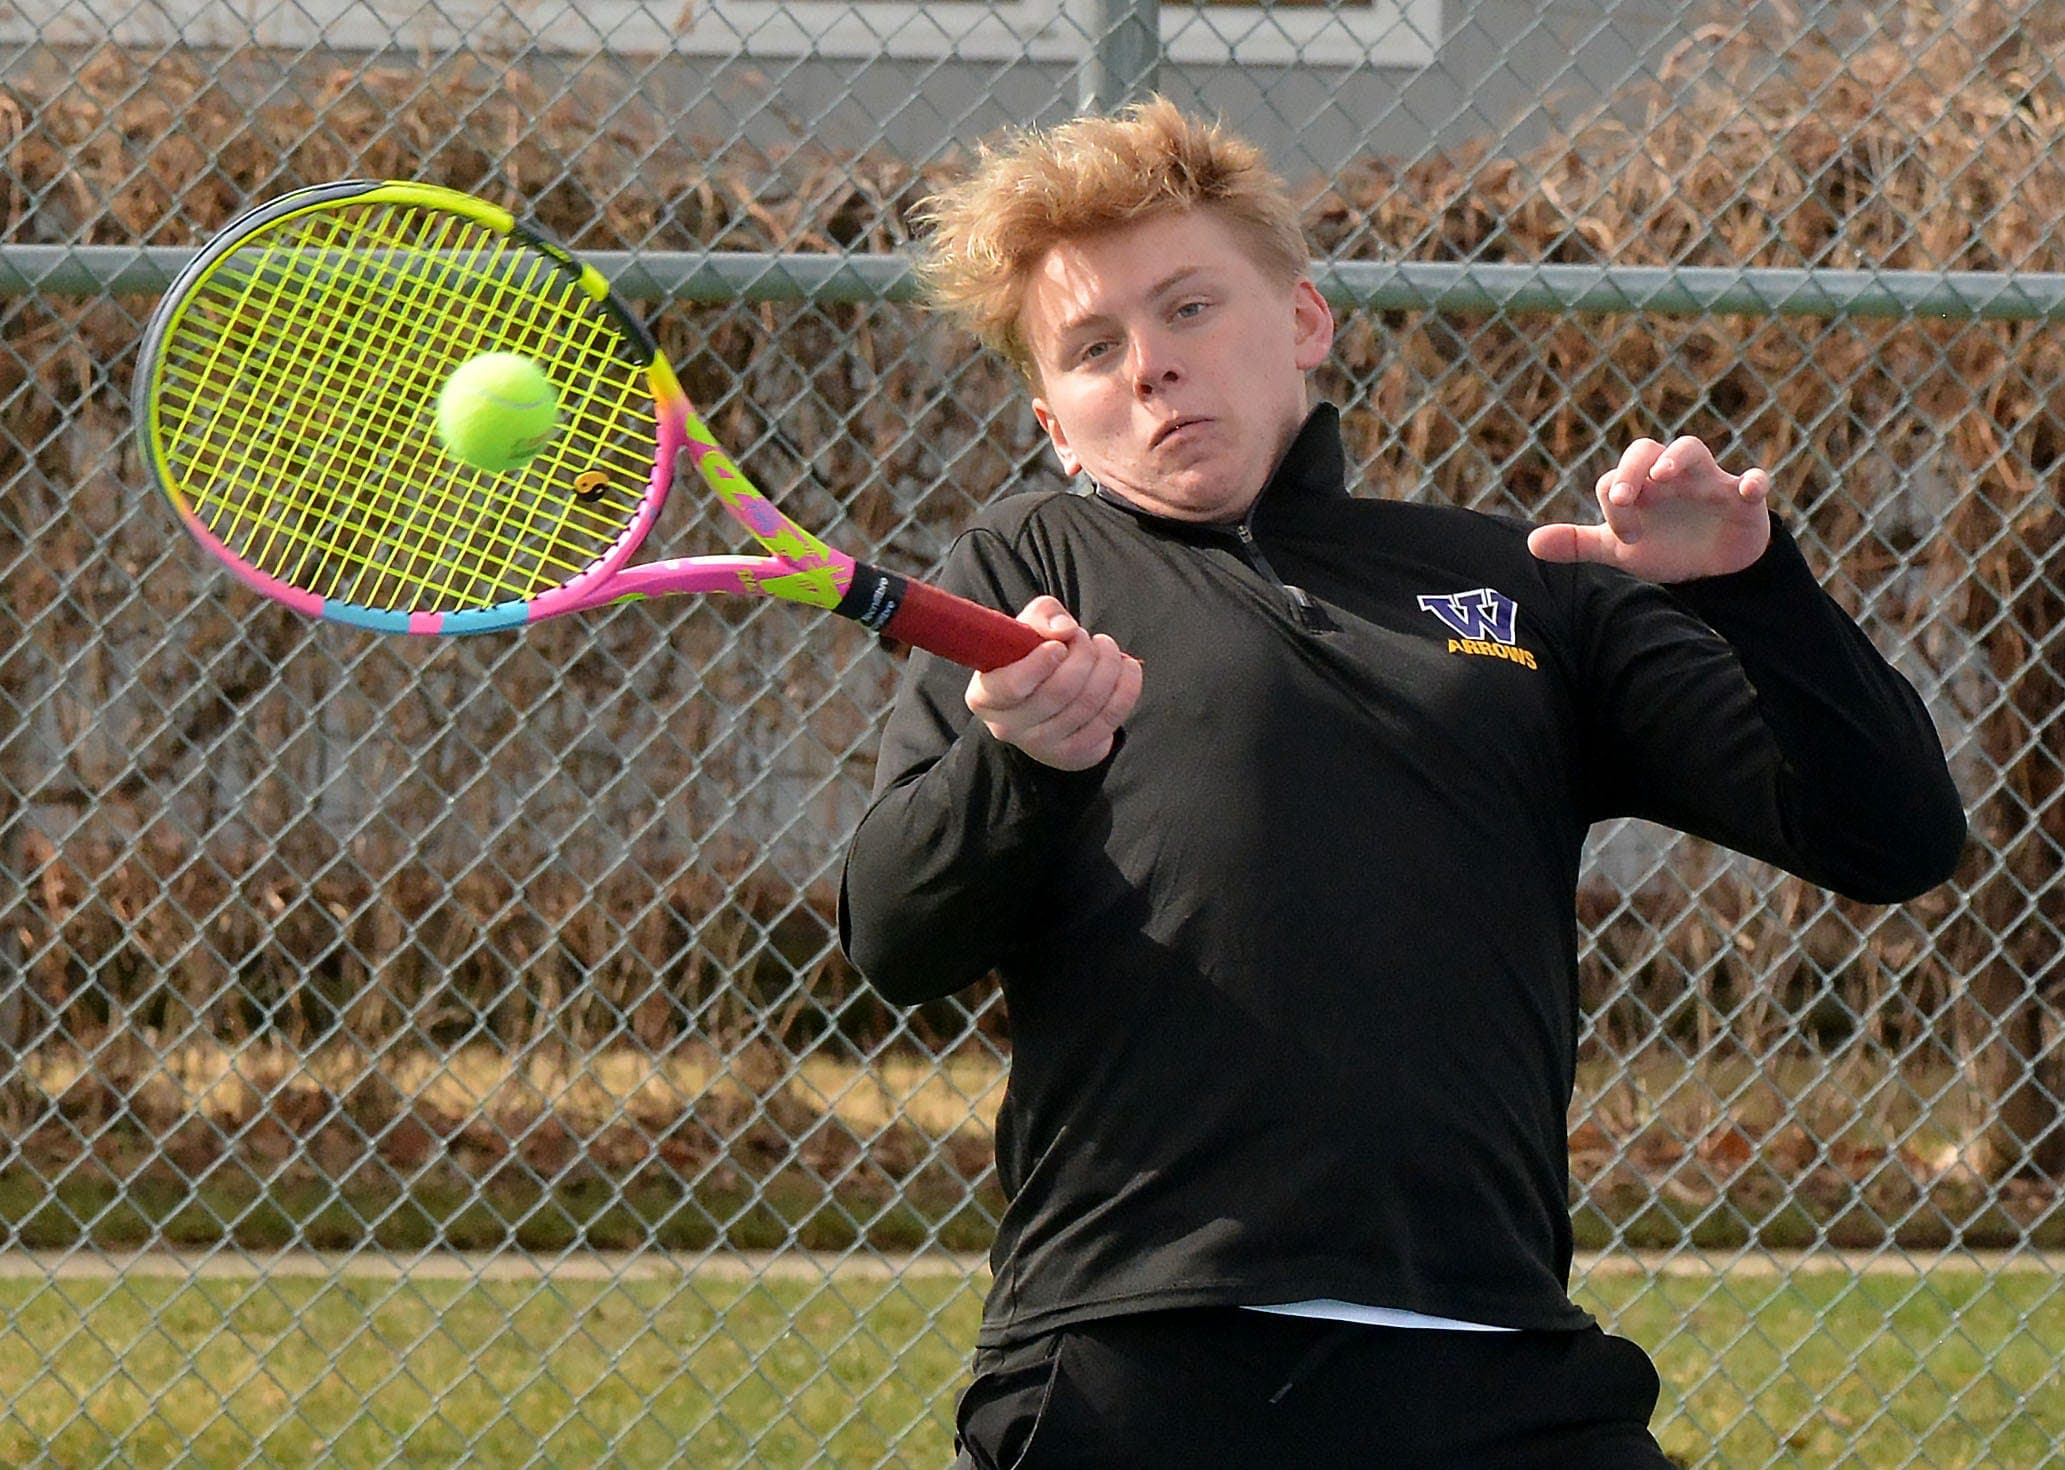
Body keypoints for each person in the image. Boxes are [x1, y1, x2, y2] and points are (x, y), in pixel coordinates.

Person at [838, 98, 1966, 1469]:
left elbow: (1893, 834)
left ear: (1303, 320)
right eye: (1092, 348)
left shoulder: (1522, 582)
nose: (1149, 368)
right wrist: (1022, 764)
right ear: (1053, 420)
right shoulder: (1028, 577)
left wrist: (1753, 591)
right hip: (1133, 1354)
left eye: (1188, 308)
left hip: (1493, 1355)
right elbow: (896, 939)